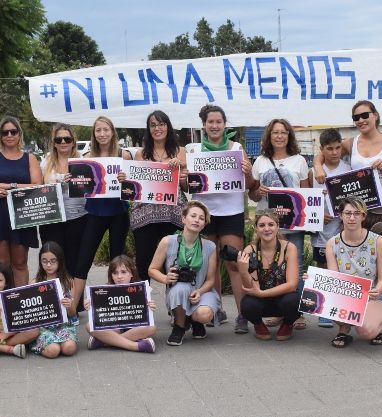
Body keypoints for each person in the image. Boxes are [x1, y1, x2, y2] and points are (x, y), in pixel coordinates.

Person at [313, 101, 382, 291]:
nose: (361, 120)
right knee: (358, 259)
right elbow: (322, 153)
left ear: (375, 115)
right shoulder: (350, 143)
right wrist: (319, 168)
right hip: (357, 211)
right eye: (356, 117)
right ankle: (357, 300)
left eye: (365, 115)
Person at [186, 104, 256, 334]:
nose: (214, 126)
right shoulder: (193, 150)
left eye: (218, 122)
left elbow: (249, 185)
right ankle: (216, 310)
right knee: (209, 266)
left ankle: (243, 314)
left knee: (234, 263)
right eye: (210, 122)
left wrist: (248, 172)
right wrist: (185, 177)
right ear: (204, 125)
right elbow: (185, 185)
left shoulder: (237, 148)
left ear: (225, 124)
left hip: (231, 212)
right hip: (203, 213)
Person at [248, 119, 311, 330]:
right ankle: (277, 311)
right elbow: (254, 196)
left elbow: (306, 193)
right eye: (275, 132)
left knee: (296, 265)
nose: (279, 136)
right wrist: (259, 191)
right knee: (271, 267)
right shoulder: (260, 161)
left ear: (289, 136)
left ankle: (297, 313)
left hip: (293, 224)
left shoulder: (299, 161)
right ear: (269, 136)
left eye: (283, 132)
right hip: (268, 226)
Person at [126, 110, 187, 285]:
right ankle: (144, 305)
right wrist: (125, 180)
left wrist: (182, 170)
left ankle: (178, 307)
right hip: (146, 213)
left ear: (168, 126)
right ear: (148, 129)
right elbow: (134, 186)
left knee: (175, 262)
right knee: (144, 262)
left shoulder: (180, 151)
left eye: (161, 124)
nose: (157, 128)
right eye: (153, 125)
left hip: (173, 213)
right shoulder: (140, 154)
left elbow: (186, 186)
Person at [149, 200, 220, 346]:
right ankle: (179, 327)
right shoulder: (168, 241)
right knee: (180, 289)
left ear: (205, 223)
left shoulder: (210, 246)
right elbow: (152, 269)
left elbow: (211, 280)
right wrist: (165, 278)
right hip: (178, 289)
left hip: (202, 290)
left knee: (204, 314)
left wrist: (200, 291)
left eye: (201, 218)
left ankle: (194, 321)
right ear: (183, 219)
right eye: (193, 216)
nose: (197, 220)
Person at [74, 117, 132, 291]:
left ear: (113, 131)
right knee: (83, 259)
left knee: (118, 262)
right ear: (93, 134)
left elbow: (134, 187)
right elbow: (81, 184)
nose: (102, 134)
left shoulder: (124, 155)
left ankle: (117, 302)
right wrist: (74, 178)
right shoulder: (86, 157)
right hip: (94, 213)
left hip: (119, 214)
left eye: (106, 129)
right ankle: (74, 307)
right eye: (98, 130)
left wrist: (127, 180)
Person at [325, 198, 382, 348]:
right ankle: (344, 328)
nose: (351, 218)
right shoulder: (332, 243)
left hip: (375, 297)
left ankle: (381, 325)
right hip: (348, 297)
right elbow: (334, 277)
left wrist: (378, 290)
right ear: (340, 216)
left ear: (363, 216)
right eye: (347, 213)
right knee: (322, 300)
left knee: (366, 331)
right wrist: (316, 280)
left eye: (357, 213)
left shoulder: (378, 241)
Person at [0, 116, 42, 286]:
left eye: (13, 131)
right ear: (0, 136)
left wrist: (9, 185)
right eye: (5, 132)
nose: (9, 135)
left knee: (19, 263)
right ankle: (2, 306)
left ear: (19, 134)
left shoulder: (30, 158)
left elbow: (38, 185)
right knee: (1, 265)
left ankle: (20, 302)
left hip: (22, 216)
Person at [237, 211, 300, 341]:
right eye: (262, 225)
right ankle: (258, 324)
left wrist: (261, 294)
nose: (267, 229)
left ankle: (288, 323)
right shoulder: (251, 250)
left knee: (294, 301)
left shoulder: (289, 248)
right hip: (262, 300)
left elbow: (292, 285)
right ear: (256, 228)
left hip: (283, 298)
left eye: (271, 224)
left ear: (277, 226)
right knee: (247, 304)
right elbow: (251, 287)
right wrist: (243, 271)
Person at [38, 124, 87, 289]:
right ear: (54, 142)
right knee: (52, 260)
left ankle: (73, 304)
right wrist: (57, 182)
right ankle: (54, 299)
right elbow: (38, 188)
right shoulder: (45, 162)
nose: (63, 142)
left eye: (67, 139)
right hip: (51, 218)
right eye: (59, 139)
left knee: (74, 260)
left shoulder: (83, 160)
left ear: (73, 141)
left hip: (78, 216)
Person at [311, 128, 351, 329]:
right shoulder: (313, 172)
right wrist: (318, 216)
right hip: (321, 233)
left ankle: (340, 307)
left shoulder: (348, 169)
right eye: (330, 148)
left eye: (337, 148)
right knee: (323, 268)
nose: (334, 152)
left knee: (341, 269)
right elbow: (308, 201)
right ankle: (324, 309)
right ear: (322, 149)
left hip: (342, 231)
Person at [85, 255, 156, 353]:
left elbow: (146, 315)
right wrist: (91, 306)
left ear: (131, 273)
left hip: (135, 327)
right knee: (89, 325)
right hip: (114, 328)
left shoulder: (141, 289)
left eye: (123, 272)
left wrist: (150, 306)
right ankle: (135, 346)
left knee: (151, 328)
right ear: (111, 276)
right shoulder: (105, 290)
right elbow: (99, 316)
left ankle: (105, 342)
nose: (119, 277)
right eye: (115, 273)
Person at [31, 241, 78, 358]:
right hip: (44, 327)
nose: (48, 265)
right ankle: (36, 345)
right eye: (44, 261)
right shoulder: (35, 282)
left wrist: (69, 305)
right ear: (40, 261)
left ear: (60, 261)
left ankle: (53, 343)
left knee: (69, 349)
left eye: (53, 261)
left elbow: (73, 314)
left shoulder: (68, 282)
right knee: (53, 351)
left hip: (64, 325)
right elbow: (31, 312)